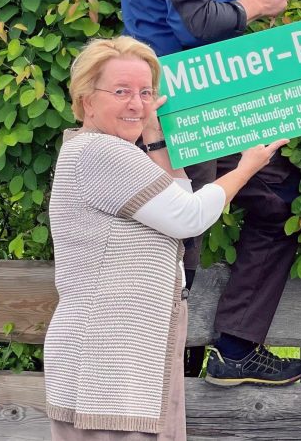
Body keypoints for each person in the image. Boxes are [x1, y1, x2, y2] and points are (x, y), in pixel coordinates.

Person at [119, 0, 301, 386]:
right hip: (182, 100)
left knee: (275, 195)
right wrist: (258, 3)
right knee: (178, 236)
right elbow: (197, 22)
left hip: (194, 93)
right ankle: (161, 376)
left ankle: (227, 348)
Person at [44, 35, 286, 440]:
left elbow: (177, 200)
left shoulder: (103, 152)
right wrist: (247, 166)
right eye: (121, 91)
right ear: (87, 100)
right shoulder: (103, 153)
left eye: (145, 92)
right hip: (109, 361)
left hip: (115, 357)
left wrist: (155, 138)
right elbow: (189, 217)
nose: (137, 104)